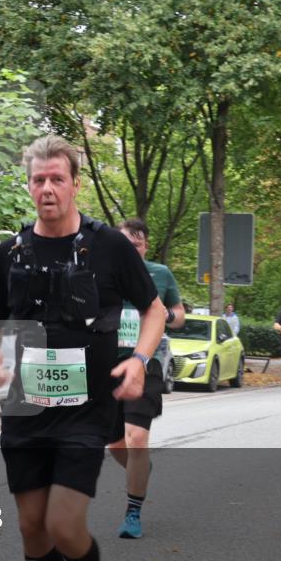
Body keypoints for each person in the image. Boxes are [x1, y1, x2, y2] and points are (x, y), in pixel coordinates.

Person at [0, 135, 165, 561]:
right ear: (28, 186)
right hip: (25, 408)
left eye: (57, 179)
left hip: (86, 408)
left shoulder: (109, 247)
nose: (47, 189)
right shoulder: (10, 253)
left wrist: (139, 360)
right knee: (32, 530)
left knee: (62, 524)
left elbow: (155, 310)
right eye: (38, 180)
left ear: (75, 184)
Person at [107, 218, 185, 540]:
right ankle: (141, 471)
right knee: (115, 445)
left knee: (137, 437)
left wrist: (166, 314)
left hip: (147, 362)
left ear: (145, 246)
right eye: (126, 243)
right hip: (108, 364)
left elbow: (179, 315)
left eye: (137, 244)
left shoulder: (160, 274)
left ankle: (133, 512)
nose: (131, 248)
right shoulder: (104, 273)